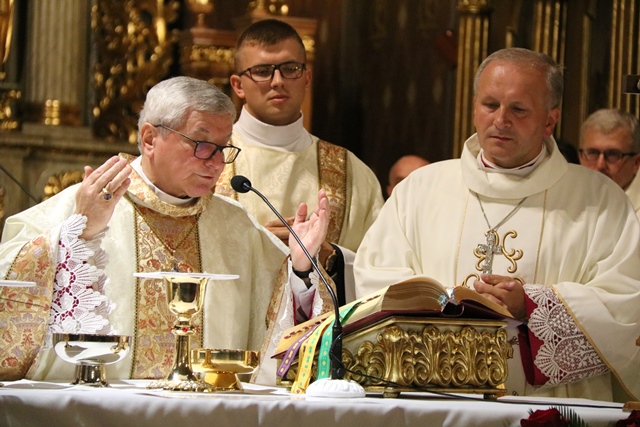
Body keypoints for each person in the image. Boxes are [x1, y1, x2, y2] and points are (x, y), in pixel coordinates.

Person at [0, 76, 330, 386]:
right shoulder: (86, 206)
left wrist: (300, 268)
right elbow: (11, 283)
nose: (216, 163)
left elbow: (282, 319)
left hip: (206, 410)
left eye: (223, 147)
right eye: (202, 144)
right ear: (149, 139)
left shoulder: (236, 226)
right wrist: (77, 236)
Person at [353, 48, 640, 402]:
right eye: (490, 105)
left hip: (551, 408)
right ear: (475, 108)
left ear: (550, 121)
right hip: (435, 401)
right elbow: (374, 282)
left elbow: (626, 301)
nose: (501, 120)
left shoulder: (600, 200)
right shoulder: (419, 189)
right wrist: (445, 307)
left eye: (518, 109)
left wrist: (533, 305)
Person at [216, 19, 384, 305]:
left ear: (306, 78)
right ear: (238, 85)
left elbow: (380, 269)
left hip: (320, 330)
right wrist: (254, 246)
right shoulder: (209, 158)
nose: (277, 81)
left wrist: (330, 256)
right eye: (262, 71)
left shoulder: (351, 172)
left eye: (290, 69)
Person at [579, 108, 640, 217]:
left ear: (636, 162)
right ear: (581, 157)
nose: (600, 165)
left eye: (613, 154)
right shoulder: (565, 200)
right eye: (592, 153)